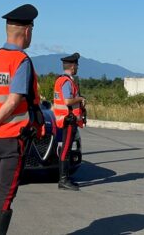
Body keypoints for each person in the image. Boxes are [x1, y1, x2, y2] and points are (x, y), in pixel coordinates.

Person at [0, 3, 42, 235]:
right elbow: (13, 100)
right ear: (27, 31)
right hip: (12, 136)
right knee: (5, 195)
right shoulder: (21, 60)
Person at [53, 52, 86, 191]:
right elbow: (67, 101)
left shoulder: (63, 80)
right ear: (72, 67)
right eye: (76, 65)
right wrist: (80, 99)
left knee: (66, 149)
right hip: (68, 120)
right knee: (66, 150)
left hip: (67, 120)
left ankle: (65, 177)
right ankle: (63, 180)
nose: (77, 67)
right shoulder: (66, 82)